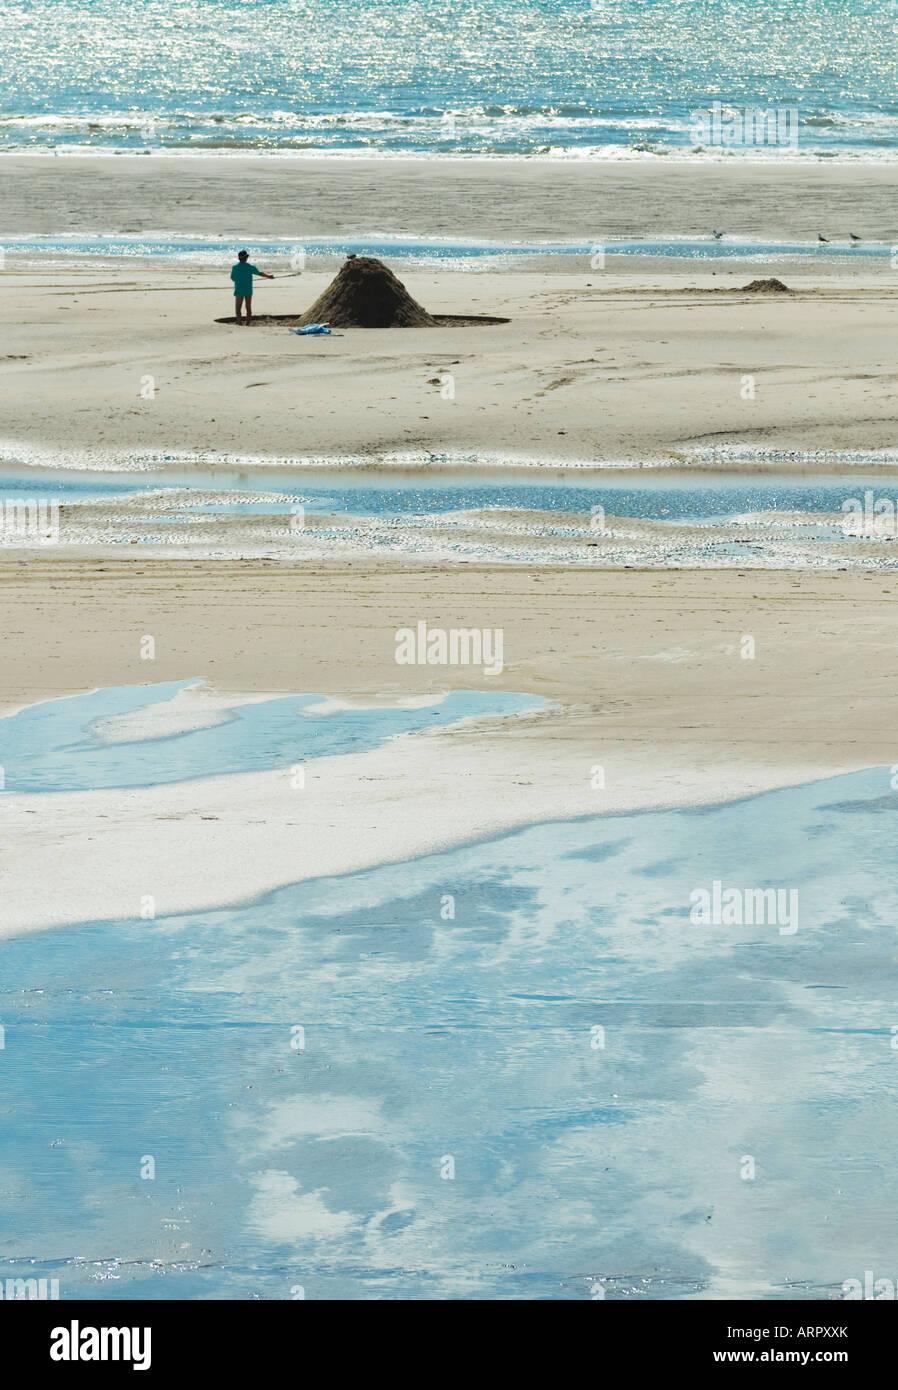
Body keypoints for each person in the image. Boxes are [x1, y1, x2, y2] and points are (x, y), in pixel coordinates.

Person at [230, 250, 274, 325]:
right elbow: (259, 273)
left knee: (238, 308)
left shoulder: (235, 267)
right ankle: (248, 323)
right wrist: (268, 276)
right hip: (248, 289)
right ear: (246, 258)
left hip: (239, 289)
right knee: (248, 308)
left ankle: (239, 322)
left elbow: (233, 278)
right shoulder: (250, 267)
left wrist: (239, 280)